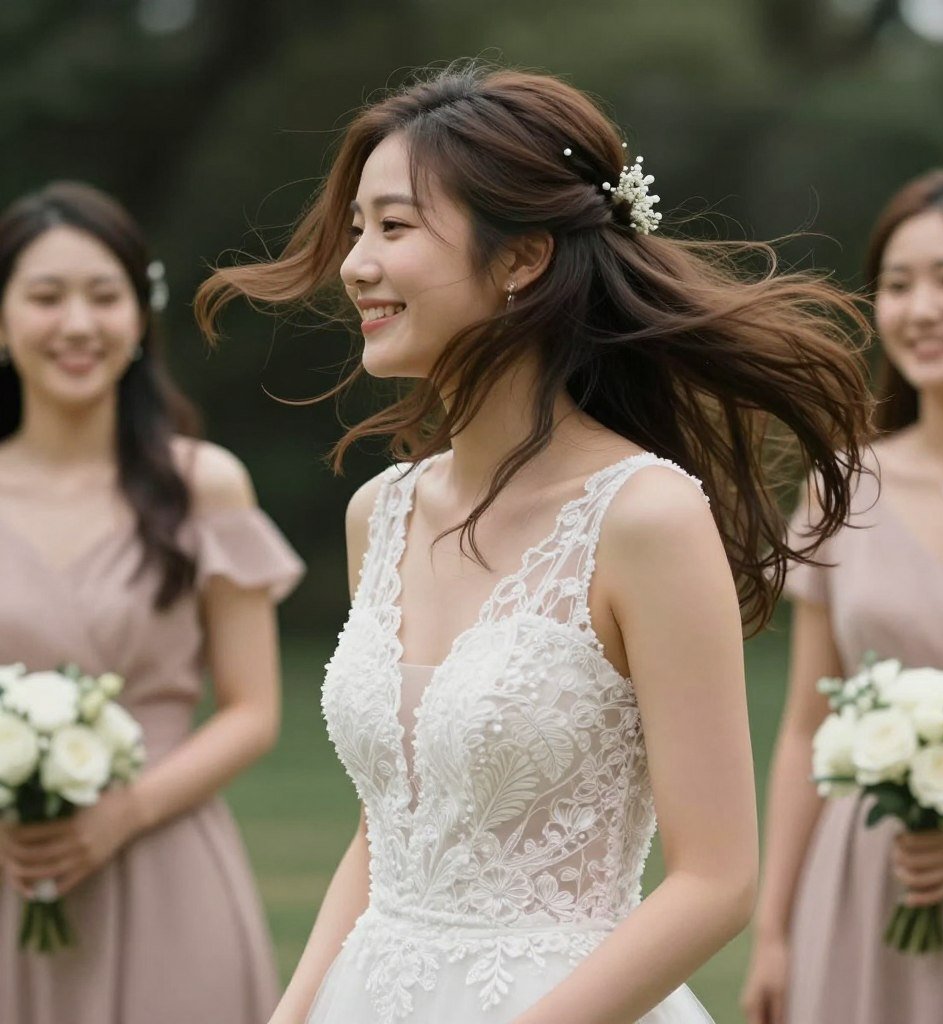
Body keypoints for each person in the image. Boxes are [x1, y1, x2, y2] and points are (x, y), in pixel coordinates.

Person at [197, 63, 870, 1024]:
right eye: (356, 231)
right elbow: (387, 838)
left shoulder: (645, 517)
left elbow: (716, 881)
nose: (355, 264)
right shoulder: (379, 515)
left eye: (393, 227)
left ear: (521, 259)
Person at [0, 181, 304, 1024]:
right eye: (46, 296)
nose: (77, 325)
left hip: (168, 865)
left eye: (105, 296)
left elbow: (253, 711)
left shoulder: (204, 484)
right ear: (2, 319)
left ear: (140, 318)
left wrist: (118, 816)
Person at [742, 168, 943, 1024]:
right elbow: (805, 730)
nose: (920, 309)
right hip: (863, 879)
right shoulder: (842, 490)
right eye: (897, 286)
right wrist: (774, 932)